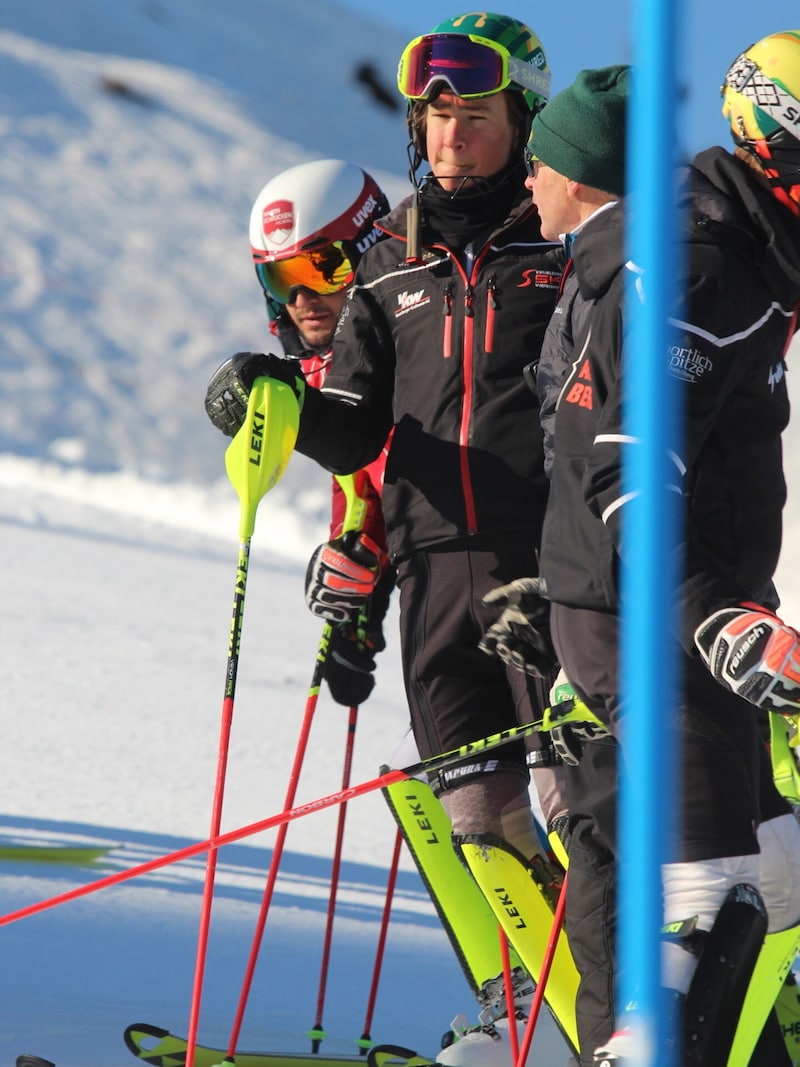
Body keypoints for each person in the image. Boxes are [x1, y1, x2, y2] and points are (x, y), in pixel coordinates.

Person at [205, 12, 571, 1063]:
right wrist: (274, 396)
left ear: (524, 120)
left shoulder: (563, 245)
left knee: (574, 801)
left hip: (553, 570)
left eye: (475, 112)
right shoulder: (387, 268)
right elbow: (357, 425)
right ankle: (525, 1013)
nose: (451, 134)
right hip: (434, 577)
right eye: (434, 113)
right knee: (478, 812)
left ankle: (623, 1011)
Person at [480, 47, 800, 1066]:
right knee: (707, 902)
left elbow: (570, 434)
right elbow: (628, 465)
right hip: (661, 622)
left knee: (773, 868)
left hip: (639, 606)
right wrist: (711, 612)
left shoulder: (703, 246)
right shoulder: (706, 261)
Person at [206, 158, 395, 709]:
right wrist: (361, 570)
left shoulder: (417, 347)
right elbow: (362, 485)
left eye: (322, 269)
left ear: (369, 256)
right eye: (281, 278)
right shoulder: (326, 370)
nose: (302, 299)